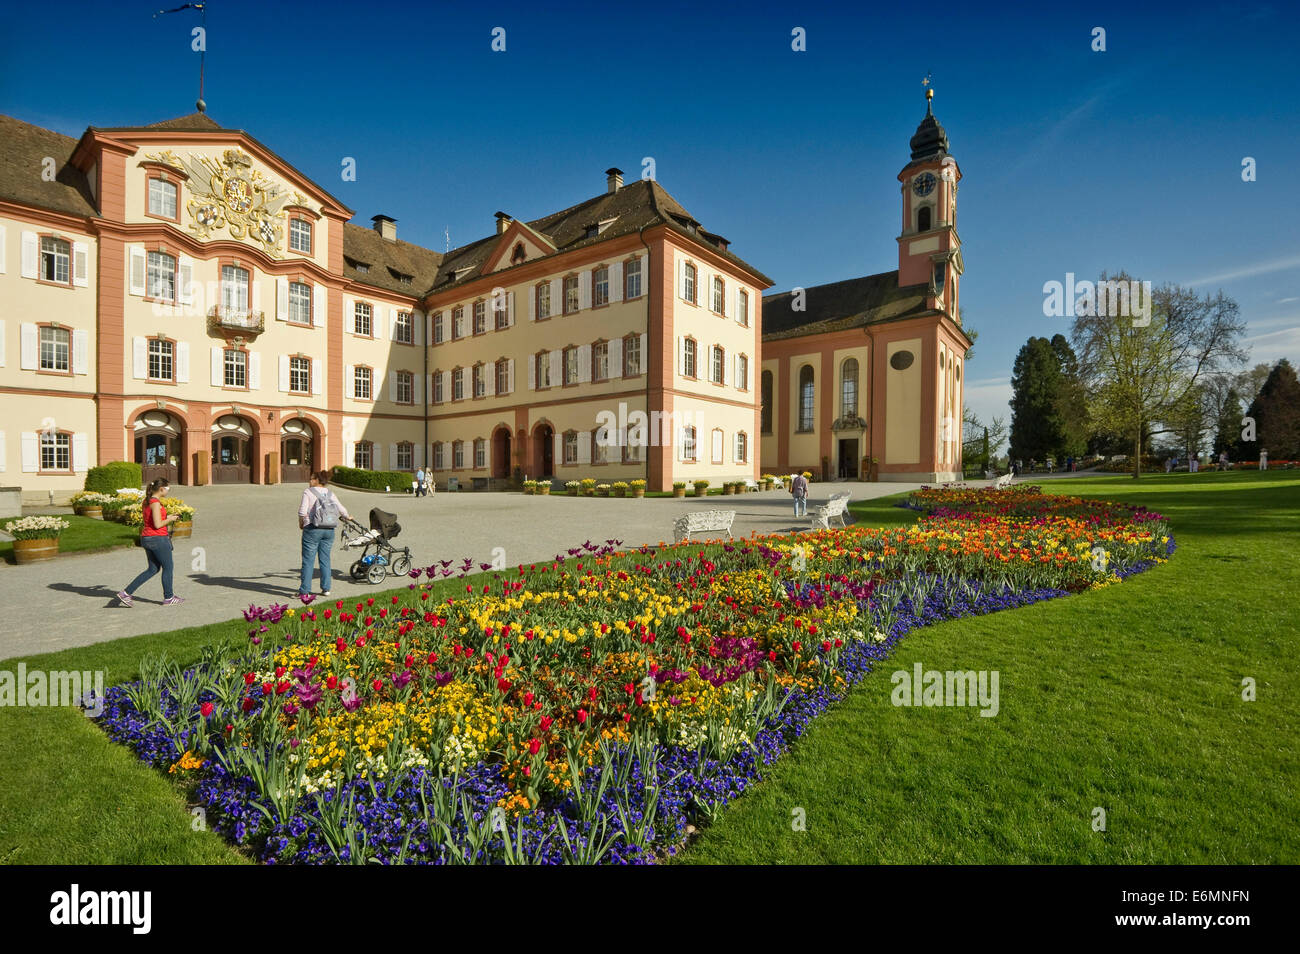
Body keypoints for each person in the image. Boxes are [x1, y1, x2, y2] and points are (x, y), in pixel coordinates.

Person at [116, 479, 184, 606]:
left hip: (147, 538)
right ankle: (169, 597)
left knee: (152, 569)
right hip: (158, 539)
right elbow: (158, 525)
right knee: (168, 568)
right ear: (161, 489)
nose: (168, 490)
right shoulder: (155, 503)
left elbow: (153, 520)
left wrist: (168, 517)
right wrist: (171, 519)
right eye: (168, 488)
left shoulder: (147, 501)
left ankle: (126, 593)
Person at [298, 470, 351, 598]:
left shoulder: (308, 492)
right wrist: (348, 516)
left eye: (311, 479)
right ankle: (326, 589)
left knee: (308, 561)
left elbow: (302, 512)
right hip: (329, 529)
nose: (309, 481)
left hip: (312, 529)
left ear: (317, 480)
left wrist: (302, 523)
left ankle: (305, 591)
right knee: (325, 559)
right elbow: (341, 509)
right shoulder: (330, 493)